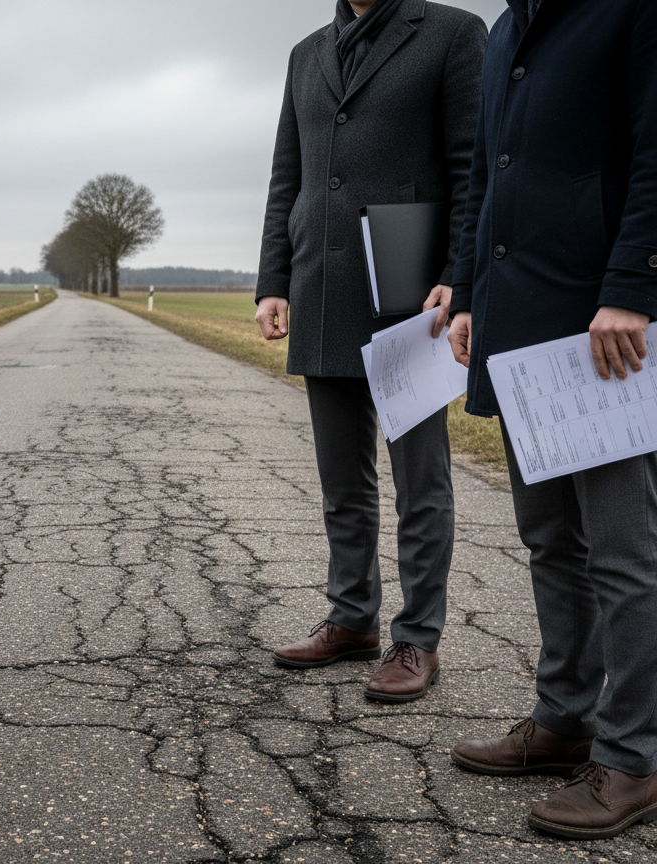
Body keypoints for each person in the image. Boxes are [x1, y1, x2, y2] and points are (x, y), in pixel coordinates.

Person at [447, 0, 657, 841]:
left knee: (625, 552)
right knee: (549, 540)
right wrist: (467, 294)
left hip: (604, 326)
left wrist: (634, 291)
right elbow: (483, 178)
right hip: (522, 325)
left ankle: (635, 758)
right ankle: (564, 718)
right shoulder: (506, 28)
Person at [254, 0, 486, 701]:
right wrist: (273, 279)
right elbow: (285, 178)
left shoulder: (451, 34)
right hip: (322, 286)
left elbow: (472, 169)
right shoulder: (305, 53)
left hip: (410, 297)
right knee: (340, 483)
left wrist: (458, 272)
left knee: (421, 482)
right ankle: (351, 618)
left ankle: (418, 637)